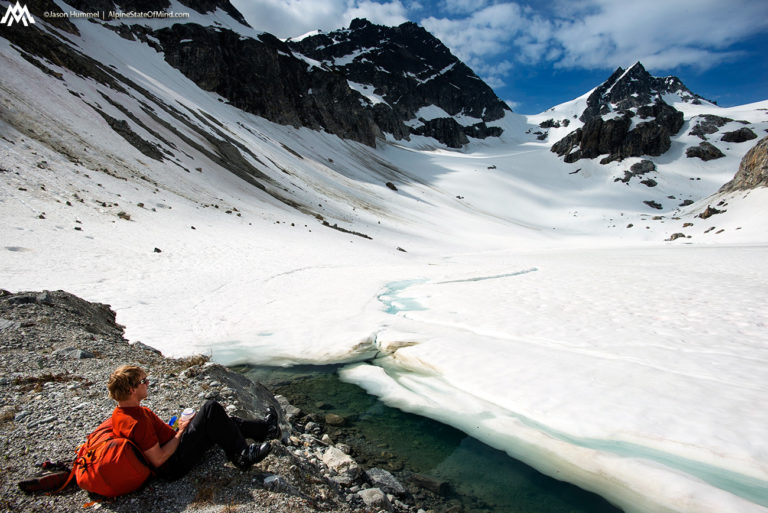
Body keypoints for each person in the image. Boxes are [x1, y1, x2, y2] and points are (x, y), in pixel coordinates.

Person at [107, 365, 278, 480]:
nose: (148, 383)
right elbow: (158, 459)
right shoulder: (137, 422)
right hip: (174, 464)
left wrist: (176, 428)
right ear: (131, 390)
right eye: (143, 381)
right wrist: (181, 432)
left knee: (218, 421)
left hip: (173, 451)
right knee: (211, 408)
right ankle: (242, 455)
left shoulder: (122, 413)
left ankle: (265, 429)